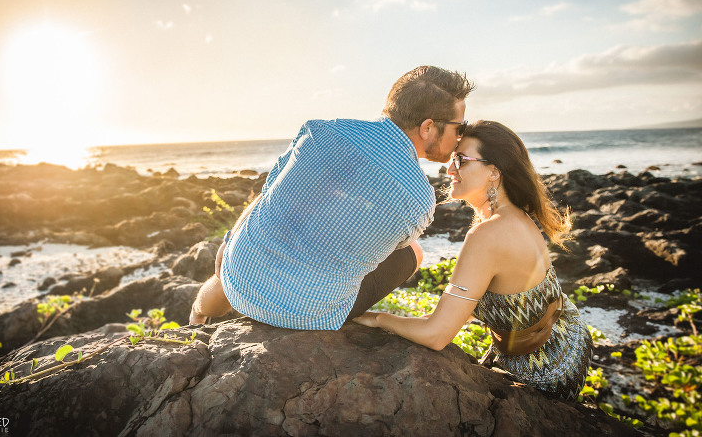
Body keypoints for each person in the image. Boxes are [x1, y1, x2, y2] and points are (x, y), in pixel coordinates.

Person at [189, 66, 474, 330]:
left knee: (260, 241)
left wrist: (230, 240)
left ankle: (197, 316)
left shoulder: (319, 131)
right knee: (414, 252)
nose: (460, 138)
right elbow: (392, 249)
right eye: (458, 128)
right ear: (427, 128)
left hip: (240, 275)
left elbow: (268, 193)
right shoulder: (420, 199)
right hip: (307, 314)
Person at [354, 120, 593, 401]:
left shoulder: (488, 233)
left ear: (494, 171)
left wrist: (377, 318)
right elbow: (460, 313)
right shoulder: (513, 216)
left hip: (546, 366)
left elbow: (436, 335)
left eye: (462, 160)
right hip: (566, 339)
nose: (450, 169)